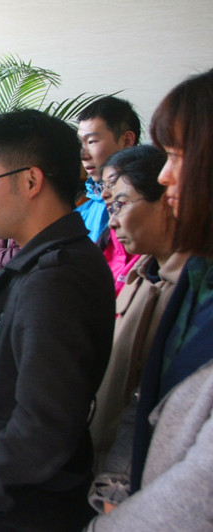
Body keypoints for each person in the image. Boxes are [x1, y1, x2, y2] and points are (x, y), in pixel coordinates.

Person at [0, 109, 115, 531]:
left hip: (9, 514)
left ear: (32, 181)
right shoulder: (40, 263)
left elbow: (43, 427)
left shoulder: (57, 278)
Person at [86, 68, 213, 531]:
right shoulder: (190, 279)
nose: (166, 175)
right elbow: (142, 399)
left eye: (179, 156)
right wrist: (114, 487)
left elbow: (197, 492)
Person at [88, 145, 189, 472]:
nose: (112, 222)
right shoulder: (138, 279)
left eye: (120, 204)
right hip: (99, 462)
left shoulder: (193, 293)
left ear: (168, 201)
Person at [77, 96, 142, 294]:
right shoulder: (80, 212)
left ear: (127, 140)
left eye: (92, 141)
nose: (83, 154)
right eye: (81, 143)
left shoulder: (147, 209)